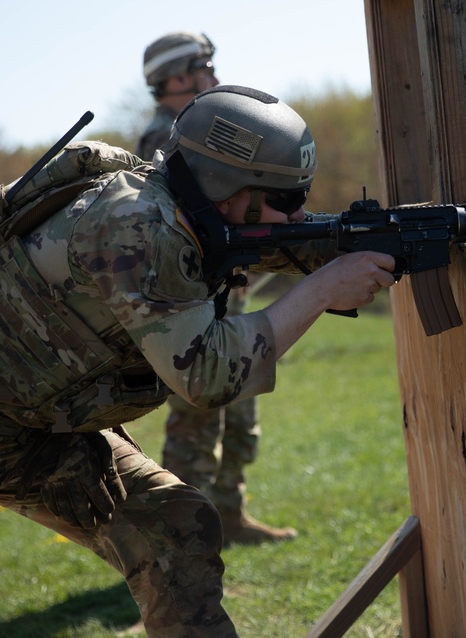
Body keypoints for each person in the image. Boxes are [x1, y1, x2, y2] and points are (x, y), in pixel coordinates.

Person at [0, 85, 401, 637]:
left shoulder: (190, 215)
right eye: (286, 199)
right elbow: (206, 374)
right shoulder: (136, 224)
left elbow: (279, 240)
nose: (296, 214)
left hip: (41, 421)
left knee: (175, 527)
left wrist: (393, 235)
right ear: (227, 183)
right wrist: (324, 289)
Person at [136, 31, 295, 544]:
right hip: (195, 311)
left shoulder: (197, 130)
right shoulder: (169, 139)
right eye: (204, 68)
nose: (214, 77)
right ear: (177, 79)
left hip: (228, 303)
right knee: (196, 429)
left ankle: (229, 516)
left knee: (239, 421)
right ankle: (183, 539)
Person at [136, 31, 219, 161]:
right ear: (180, 79)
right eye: (208, 70)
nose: (216, 81)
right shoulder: (165, 138)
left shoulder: (181, 130)